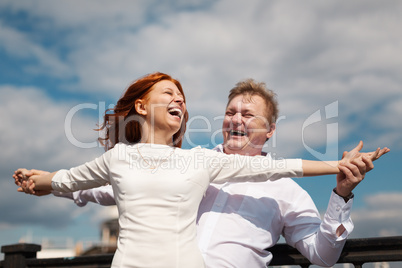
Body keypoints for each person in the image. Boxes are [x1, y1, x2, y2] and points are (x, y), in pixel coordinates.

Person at [14, 73, 389, 268]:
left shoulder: (286, 191)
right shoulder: (190, 162)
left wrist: (340, 194)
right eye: (230, 113)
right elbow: (117, 186)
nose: (236, 120)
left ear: (270, 130)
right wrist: (52, 183)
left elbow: (322, 255)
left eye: (247, 115)